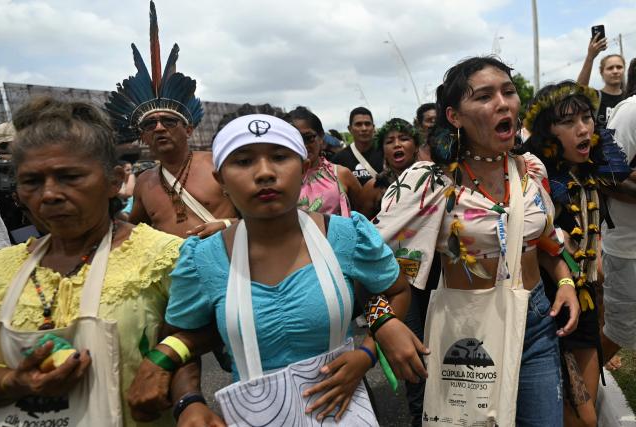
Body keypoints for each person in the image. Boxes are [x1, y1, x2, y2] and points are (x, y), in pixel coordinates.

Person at [128, 114, 428, 426]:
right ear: (221, 181)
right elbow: (181, 338)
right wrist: (189, 402)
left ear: (303, 167)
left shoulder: (347, 236)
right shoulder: (202, 260)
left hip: (343, 408)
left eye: (280, 157)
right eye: (243, 161)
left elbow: (394, 290)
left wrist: (368, 351)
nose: (265, 173)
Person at [374, 56, 580, 426]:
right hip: (467, 335)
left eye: (508, 92)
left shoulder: (531, 170)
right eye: (484, 96)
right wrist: (383, 323)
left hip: (535, 325)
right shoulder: (428, 183)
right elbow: (369, 263)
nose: (503, 103)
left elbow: (547, 244)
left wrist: (564, 282)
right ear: (454, 116)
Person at [0, 97, 181, 427]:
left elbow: (198, 334)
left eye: (70, 177)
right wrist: (16, 382)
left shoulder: (161, 257)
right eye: (32, 181)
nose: (49, 193)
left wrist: (163, 367)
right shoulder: (2, 268)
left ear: (114, 181)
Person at [522, 81, 630, 426]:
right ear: (547, 134)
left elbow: (619, 176)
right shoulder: (536, 179)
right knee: (578, 417)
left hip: (583, 306)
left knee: (588, 410)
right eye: (568, 122)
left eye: (586, 118)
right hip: (550, 307)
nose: (583, 128)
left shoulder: (591, 170)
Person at [105, 1, 236, 239]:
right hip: (176, 274)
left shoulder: (218, 164)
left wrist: (228, 224)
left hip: (230, 265)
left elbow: (263, 215)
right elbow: (136, 229)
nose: (158, 128)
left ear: (188, 129)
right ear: (142, 136)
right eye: (149, 124)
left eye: (168, 121)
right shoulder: (144, 182)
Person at [358, 118, 442, 426]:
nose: (397, 144)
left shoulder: (436, 178)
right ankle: (419, 417)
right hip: (395, 282)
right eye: (390, 140)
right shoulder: (375, 188)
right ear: (383, 149)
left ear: (416, 145)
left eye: (404, 138)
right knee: (414, 356)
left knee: (442, 349)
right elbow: (368, 232)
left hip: (433, 278)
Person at [601, 77, 636, 372]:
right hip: (629, 249)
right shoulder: (631, 111)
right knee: (617, 332)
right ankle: (577, 390)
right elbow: (605, 176)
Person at [286, 106, 362, 216]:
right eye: (295, 139)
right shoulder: (281, 179)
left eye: (308, 138)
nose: (303, 145)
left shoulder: (341, 174)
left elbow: (363, 213)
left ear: (321, 137)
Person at [577, 33, 625, 129]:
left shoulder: (630, 98)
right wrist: (590, 57)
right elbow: (578, 91)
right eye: (610, 68)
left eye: (619, 67)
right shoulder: (595, 97)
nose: (615, 71)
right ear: (601, 72)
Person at [331, 107, 383, 186]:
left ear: (373, 127)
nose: (364, 128)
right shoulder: (339, 160)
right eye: (358, 124)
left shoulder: (385, 153)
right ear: (350, 129)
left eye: (367, 124)